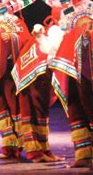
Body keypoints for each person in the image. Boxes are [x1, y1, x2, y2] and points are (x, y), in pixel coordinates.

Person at [50, 5, 93, 168]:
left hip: (86, 73)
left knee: (86, 110)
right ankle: (83, 155)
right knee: (75, 112)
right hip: (71, 73)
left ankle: (89, 152)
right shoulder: (65, 33)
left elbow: (91, 49)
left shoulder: (89, 29)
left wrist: (86, 35)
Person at [12, 17, 64, 162]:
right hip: (36, 77)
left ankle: (43, 150)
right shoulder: (54, 33)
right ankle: (35, 152)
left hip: (35, 75)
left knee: (39, 113)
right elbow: (52, 53)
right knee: (35, 113)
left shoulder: (49, 33)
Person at [0, 12, 31, 160]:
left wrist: (11, 38)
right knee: (1, 107)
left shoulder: (17, 21)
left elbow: (26, 40)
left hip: (12, 70)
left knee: (15, 107)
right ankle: (7, 147)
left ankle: (19, 145)